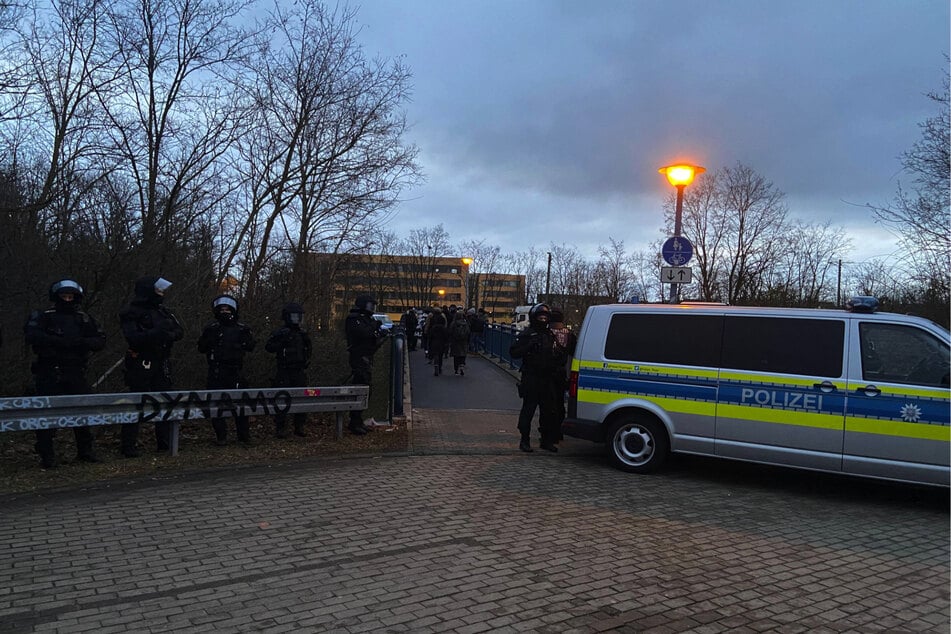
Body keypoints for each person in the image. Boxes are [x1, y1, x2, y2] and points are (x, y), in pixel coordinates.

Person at [24, 279, 106, 468]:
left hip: (76, 371)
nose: (67, 300)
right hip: (49, 371)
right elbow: (32, 336)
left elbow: (100, 340)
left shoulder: (83, 318)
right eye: (64, 296)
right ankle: (47, 455)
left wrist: (80, 343)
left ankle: (85, 451)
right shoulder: (43, 316)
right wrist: (57, 342)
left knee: (82, 412)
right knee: (47, 416)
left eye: (71, 297)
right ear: (56, 297)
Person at [119, 276, 184, 456]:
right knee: (136, 401)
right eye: (158, 290)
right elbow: (132, 337)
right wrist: (157, 333)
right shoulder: (131, 312)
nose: (161, 293)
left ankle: (164, 443)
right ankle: (128, 445)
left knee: (163, 400)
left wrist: (166, 335)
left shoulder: (163, 311)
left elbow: (179, 332)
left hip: (161, 361)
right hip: (141, 360)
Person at [198, 295, 256, 446]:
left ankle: (244, 436)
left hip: (236, 372)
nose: (224, 312)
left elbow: (251, 346)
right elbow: (201, 347)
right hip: (216, 372)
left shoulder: (242, 328)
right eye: (221, 309)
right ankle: (221, 436)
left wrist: (241, 343)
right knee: (216, 405)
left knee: (240, 405)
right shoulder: (211, 329)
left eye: (227, 309)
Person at [509, 303, 565, 453]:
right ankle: (524, 440)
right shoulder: (528, 334)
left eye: (545, 317)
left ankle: (546, 440)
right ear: (534, 317)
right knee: (528, 410)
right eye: (540, 316)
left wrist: (558, 358)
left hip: (547, 378)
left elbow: (557, 354)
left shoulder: (550, 335)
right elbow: (513, 352)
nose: (543, 319)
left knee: (549, 412)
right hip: (531, 378)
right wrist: (528, 347)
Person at [266, 302, 312, 438]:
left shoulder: (302, 334)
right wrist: (282, 342)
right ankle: (280, 428)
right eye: (294, 316)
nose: (296, 319)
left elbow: (309, 348)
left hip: (299, 370)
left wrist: (307, 360)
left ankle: (299, 426)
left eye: (298, 316)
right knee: (281, 400)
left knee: (302, 399)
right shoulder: (280, 332)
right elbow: (269, 347)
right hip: (284, 370)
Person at [344, 295, 387, 434]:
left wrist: (380, 335)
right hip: (359, 357)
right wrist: (375, 327)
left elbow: (372, 338)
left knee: (366, 389)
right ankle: (354, 421)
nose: (372, 309)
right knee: (360, 386)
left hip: (366, 356)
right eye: (370, 306)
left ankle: (358, 420)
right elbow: (364, 333)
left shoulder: (367, 319)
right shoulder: (354, 319)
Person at [548, 308, 577, 442]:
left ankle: (548, 432)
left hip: (546, 373)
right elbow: (573, 352)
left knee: (547, 403)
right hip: (562, 373)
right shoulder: (569, 334)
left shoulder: (545, 332)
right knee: (559, 403)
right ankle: (559, 432)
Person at [427, 312, 449, 376]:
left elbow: (430, 336)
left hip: (434, 343)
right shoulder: (444, 328)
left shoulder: (433, 328)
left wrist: (429, 342)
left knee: (435, 354)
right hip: (441, 343)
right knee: (440, 356)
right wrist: (446, 343)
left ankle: (436, 365)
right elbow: (446, 337)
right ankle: (439, 367)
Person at [449, 311, 471, 375]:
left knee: (456, 356)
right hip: (464, 341)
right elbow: (468, 332)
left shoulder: (454, 323)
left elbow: (450, 331)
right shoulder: (465, 323)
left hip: (455, 341)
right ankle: (462, 365)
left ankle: (456, 370)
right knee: (463, 354)